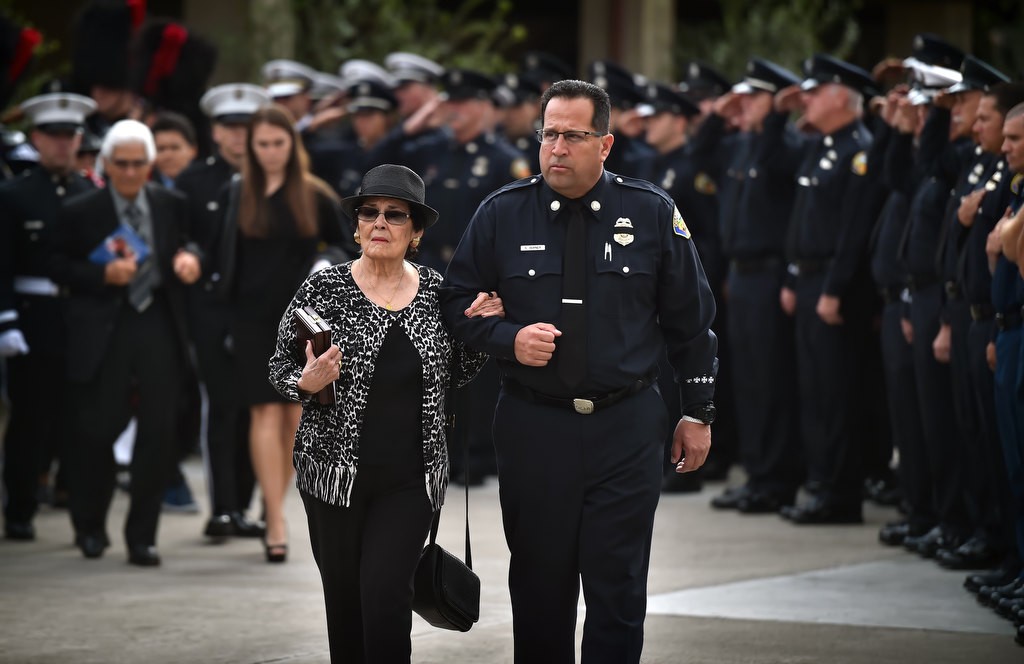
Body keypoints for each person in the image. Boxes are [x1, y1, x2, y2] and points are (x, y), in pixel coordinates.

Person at [440, 79, 718, 663]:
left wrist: (697, 412)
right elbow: (455, 306)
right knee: (540, 587)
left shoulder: (649, 213)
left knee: (617, 589)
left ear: (606, 144)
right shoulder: (502, 214)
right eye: (549, 134)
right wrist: (508, 338)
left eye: (573, 135)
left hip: (627, 425)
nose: (557, 148)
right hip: (534, 425)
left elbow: (691, 324)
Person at [267, 163, 500, 662]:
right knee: (346, 604)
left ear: (415, 233)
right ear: (355, 226)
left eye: (395, 216)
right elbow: (277, 367)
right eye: (369, 212)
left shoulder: (439, 293)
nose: (379, 223)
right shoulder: (323, 289)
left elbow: (455, 376)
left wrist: (479, 334)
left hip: (411, 480)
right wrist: (304, 383)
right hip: (333, 475)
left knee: (385, 596)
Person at [50, 119, 202, 566]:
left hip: (156, 321)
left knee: (157, 434)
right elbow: (56, 263)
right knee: (97, 428)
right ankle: (90, 525)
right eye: (122, 164)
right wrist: (100, 274)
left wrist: (191, 257)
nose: (131, 172)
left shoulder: (170, 202)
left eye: (139, 164)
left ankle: (143, 536)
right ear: (106, 164)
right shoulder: (81, 209)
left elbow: (191, 242)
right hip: (105, 326)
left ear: (151, 164)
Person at [217, 104, 352, 562]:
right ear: (251, 149)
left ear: (291, 146)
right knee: (262, 415)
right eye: (263, 144)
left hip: (298, 319)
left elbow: (342, 240)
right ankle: (274, 518)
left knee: (294, 414)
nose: (271, 152)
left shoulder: (313, 193)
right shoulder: (239, 192)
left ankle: (275, 501)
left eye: (279, 143)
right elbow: (227, 258)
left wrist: (323, 262)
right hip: (250, 319)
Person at [0, 91, 97, 540]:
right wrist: (6, 322)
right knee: (29, 420)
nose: (62, 144)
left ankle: (79, 511)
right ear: (36, 138)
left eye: (70, 135)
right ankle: (19, 508)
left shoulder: (89, 193)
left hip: (79, 319)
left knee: (79, 422)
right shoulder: (14, 195)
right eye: (53, 136)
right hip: (32, 319)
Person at [177, 83, 270, 541]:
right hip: (212, 308)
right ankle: (221, 507)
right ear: (214, 132)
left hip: (260, 311)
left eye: (246, 128)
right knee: (222, 408)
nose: (238, 137)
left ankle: (249, 507)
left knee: (260, 408)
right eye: (229, 128)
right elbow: (180, 235)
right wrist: (188, 254)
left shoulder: (274, 179)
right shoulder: (193, 181)